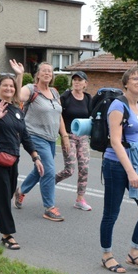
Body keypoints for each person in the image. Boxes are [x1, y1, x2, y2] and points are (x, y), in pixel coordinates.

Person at [99, 66, 138, 274]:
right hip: (116, 164)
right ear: (125, 83)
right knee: (111, 213)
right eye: (135, 78)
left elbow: (135, 136)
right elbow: (116, 142)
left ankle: (134, 252)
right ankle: (107, 255)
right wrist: (131, 172)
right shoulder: (118, 106)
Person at [0, 71, 43, 249]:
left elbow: (25, 136)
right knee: (3, 196)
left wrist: (35, 157)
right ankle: (7, 235)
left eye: (12, 86)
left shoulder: (17, 110)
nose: (8, 88)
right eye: (5, 85)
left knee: (5, 193)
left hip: (12, 158)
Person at [12, 60, 70, 222]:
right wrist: (19, 75)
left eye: (50, 71)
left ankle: (21, 190)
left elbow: (58, 115)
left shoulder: (54, 92)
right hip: (34, 136)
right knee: (49, 171)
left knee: (40, 169)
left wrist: (64, 136)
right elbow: (17, 97)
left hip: (51, 138)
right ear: (37, 74)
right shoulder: (31, 89)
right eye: (44, 70)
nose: (47, 73)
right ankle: (49, 207)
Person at [55, 71, 93, 211]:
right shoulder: (65, 97)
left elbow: (92, 116)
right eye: (74, 80)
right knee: (69, 170)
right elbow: (58, 115)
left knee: (84, 168)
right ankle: (50, 181)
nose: (77, 82)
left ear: (85, 84)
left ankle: (80, 199)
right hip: (68, 136)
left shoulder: (88, 98)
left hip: (83, 137)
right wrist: (64, 136)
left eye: (80, 80)